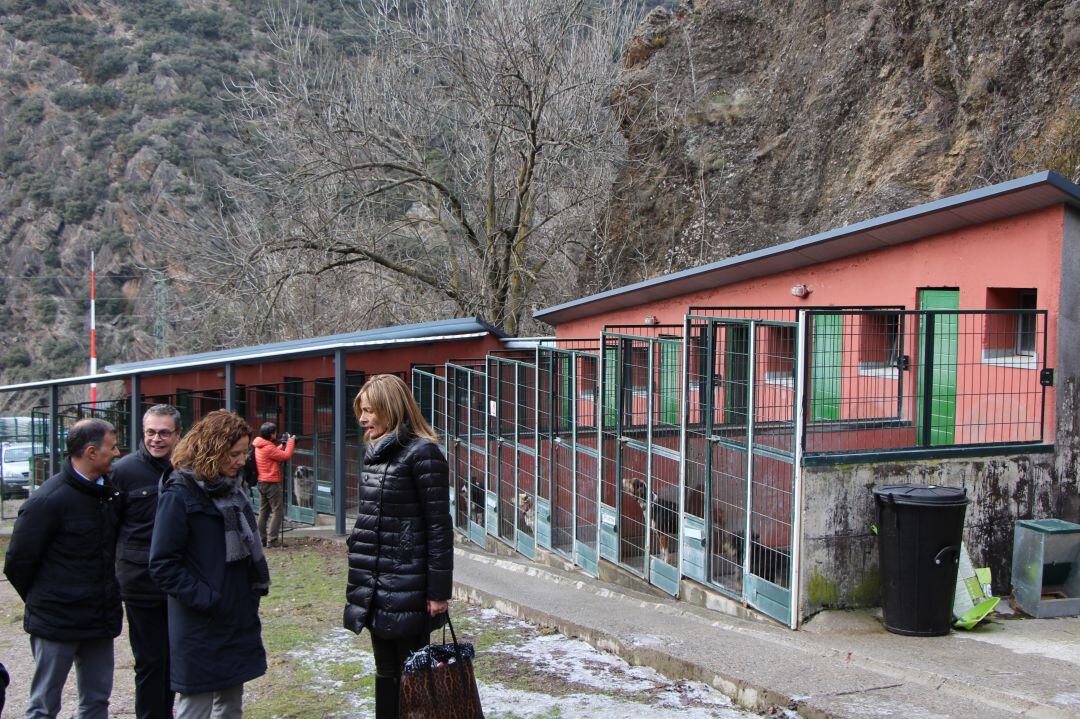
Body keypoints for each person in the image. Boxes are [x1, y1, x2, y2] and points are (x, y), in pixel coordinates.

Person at [343, 374, 453, 719]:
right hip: (376, 584)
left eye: (370, 411)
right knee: (386, 672)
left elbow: (438, 526)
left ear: (391, 409)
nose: (363, 419)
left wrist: (438, 592)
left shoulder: (424, 454)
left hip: (409, 584)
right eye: (362, 411)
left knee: (414, 677)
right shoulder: (375, 453)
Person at [149, 409, 268, 719]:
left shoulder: (233, 490)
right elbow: (162, 564)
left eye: (244, 453)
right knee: (196, 706)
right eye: (235, 453)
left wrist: (245, 596)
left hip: (235, 614)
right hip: (199, 621)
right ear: (212, 450)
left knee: (230, 704)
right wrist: (206, 598)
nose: (242, 461)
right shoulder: (178, 494)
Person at [3, 418, 123, 719]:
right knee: (44, 705)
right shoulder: (47, 500)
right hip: (56, 621)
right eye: (112, 447)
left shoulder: (109, 493)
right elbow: (18, 563)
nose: (118, 452)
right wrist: (47, 599)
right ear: (91, 452)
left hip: (98, 619)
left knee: (97, 702)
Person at [112, 404, 182, 719]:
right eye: (150, 432)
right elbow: (109, 529)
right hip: (140, 584)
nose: (156, 439)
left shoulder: (187, 469)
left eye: (164, 433)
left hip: (180, 582)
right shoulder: (123, 472)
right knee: (151, 661)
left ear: (178, 434)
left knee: (178, 657)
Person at [252, 422, 295, 548]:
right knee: (278, 511)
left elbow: (274, 453)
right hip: (271, 483)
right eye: (275, 432)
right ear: (270, 434)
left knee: (264, 511)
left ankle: (261, 538)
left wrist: (283, 445)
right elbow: (285, 456)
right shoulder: (268, 447)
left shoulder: (260, 445)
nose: (276, 434)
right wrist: (291, 441)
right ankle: (273, 539)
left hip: (262, 482)